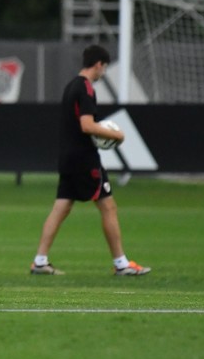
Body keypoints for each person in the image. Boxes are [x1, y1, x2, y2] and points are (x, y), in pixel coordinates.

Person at [30, 44, 151, 277]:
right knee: (108, 206)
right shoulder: (85, 88)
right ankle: (121, 264)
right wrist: (117, 135)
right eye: (104, 67)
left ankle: (39, 261)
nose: (103, 72)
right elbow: (87, 125)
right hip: (84, 159)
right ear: (98, 64)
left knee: (61, 207)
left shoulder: (70, 86)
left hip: (67, 157)